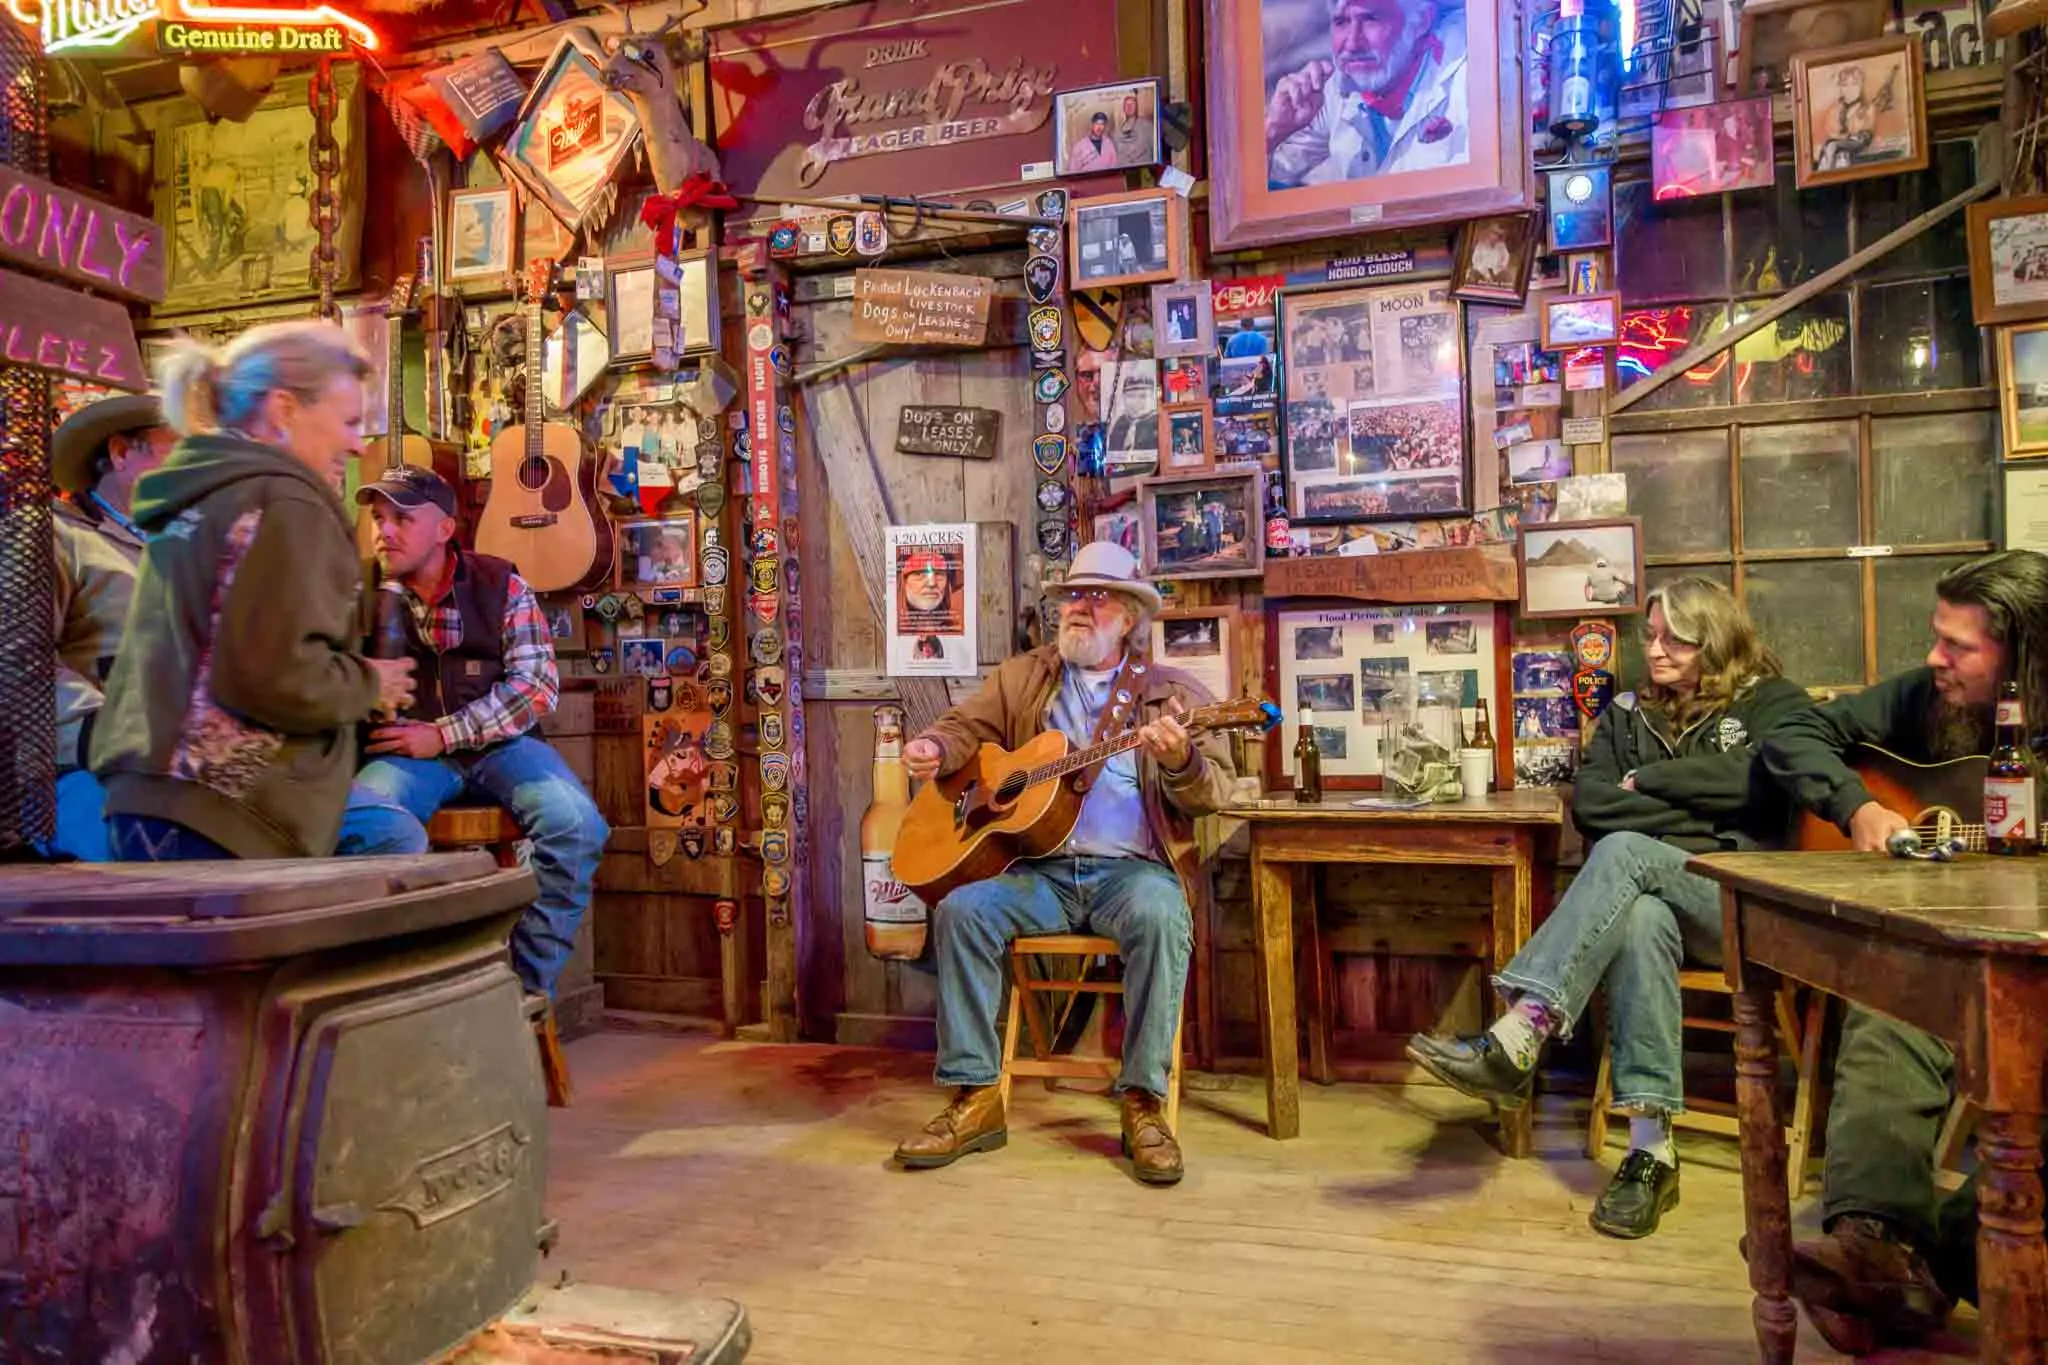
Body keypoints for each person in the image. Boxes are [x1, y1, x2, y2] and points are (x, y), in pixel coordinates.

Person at [1406, 578, 1813, 1238]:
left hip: (1738, 903)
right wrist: (1694, 814)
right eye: (1649, 635)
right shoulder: (1626, 711)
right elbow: (1591, 802)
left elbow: (1755, 790)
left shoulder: (1771, 703)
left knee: (1624, 850)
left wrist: (1649, 784)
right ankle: (1651, 1152)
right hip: (1662, 905)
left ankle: (1523, 1027)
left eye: (1673, 638)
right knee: (1640, 915)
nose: (1654, 650)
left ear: (1714, 638)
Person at [1759, 550, 2048, 1352]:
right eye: (1936, 636)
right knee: (1890, 1005)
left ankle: (1945, 1254)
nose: (1934, 659)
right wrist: (1854, 806)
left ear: (2024, 658)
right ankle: (1872, 1241)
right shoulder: (1926, 699)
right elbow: (1791, 730)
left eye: (1958, 646)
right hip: (1964, 950)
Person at [892, 541, 1236, 1185]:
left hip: (1129, 874)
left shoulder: (1173, 694)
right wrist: (935, 747)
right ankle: (974, 1098)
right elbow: (965, 727)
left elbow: (1216, 791)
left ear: (1129, 616)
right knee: (963, 910)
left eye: (1097, 597)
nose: (1079, 607)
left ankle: (1143, 1102)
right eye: (1072, 596)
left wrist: (1180, 761)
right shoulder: (1026, 676)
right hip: (1040, 873)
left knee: (1163, 913)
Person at [90, 321, 417, 861]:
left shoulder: (205, 491)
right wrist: (368, 683)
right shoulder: (287, 502)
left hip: (147, 799)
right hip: (228, 812)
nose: (359, 444)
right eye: (349, 421)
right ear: (284, 409)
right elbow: (273, 676)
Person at [339, 465, 609, 1000]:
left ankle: (523, 991)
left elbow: (536, 686)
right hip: (404, 756)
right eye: (377, 518)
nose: (383, 532)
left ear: (444, 529)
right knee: (366, 832)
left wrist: (444, 734)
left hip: (501, 746)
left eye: (402, 518)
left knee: (577, 827)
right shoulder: (357, 593)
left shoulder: (500, 582)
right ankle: (415, 991)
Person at [44, 394, 176, 861]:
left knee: (375, 828)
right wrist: (107, 726)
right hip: (81, 766)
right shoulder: (58, 538)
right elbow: (19, 658)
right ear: (121, 453)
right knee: (145, 860)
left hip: (187, 765)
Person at [1265, 0, 1470, 188]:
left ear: (1421, 22)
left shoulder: (1473, 73)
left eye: (1372, 19)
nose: (1353, 43)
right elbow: (1267, 181)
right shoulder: (1331, 87)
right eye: (1341, 21)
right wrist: (1274, 130)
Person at [1114, 90, 1157, 164]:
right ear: (1124, 108)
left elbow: (1155, 151)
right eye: (1127, 104)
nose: (1129, 107)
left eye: (1132, 104)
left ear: (1136, 106)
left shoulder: (1147, 126)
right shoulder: (1117, 133)